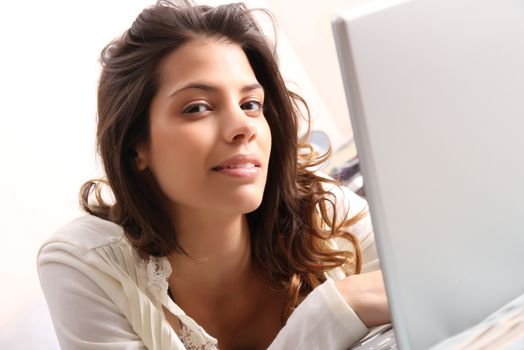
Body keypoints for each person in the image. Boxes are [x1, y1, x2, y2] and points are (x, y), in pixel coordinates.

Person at [37, 1, 390, 349]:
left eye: (250, 104)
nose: (242, 127)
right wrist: (326, 315)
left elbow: (432, 296)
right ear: (135, 146)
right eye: (197, 108)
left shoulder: (322, 210)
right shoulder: (86, 264)